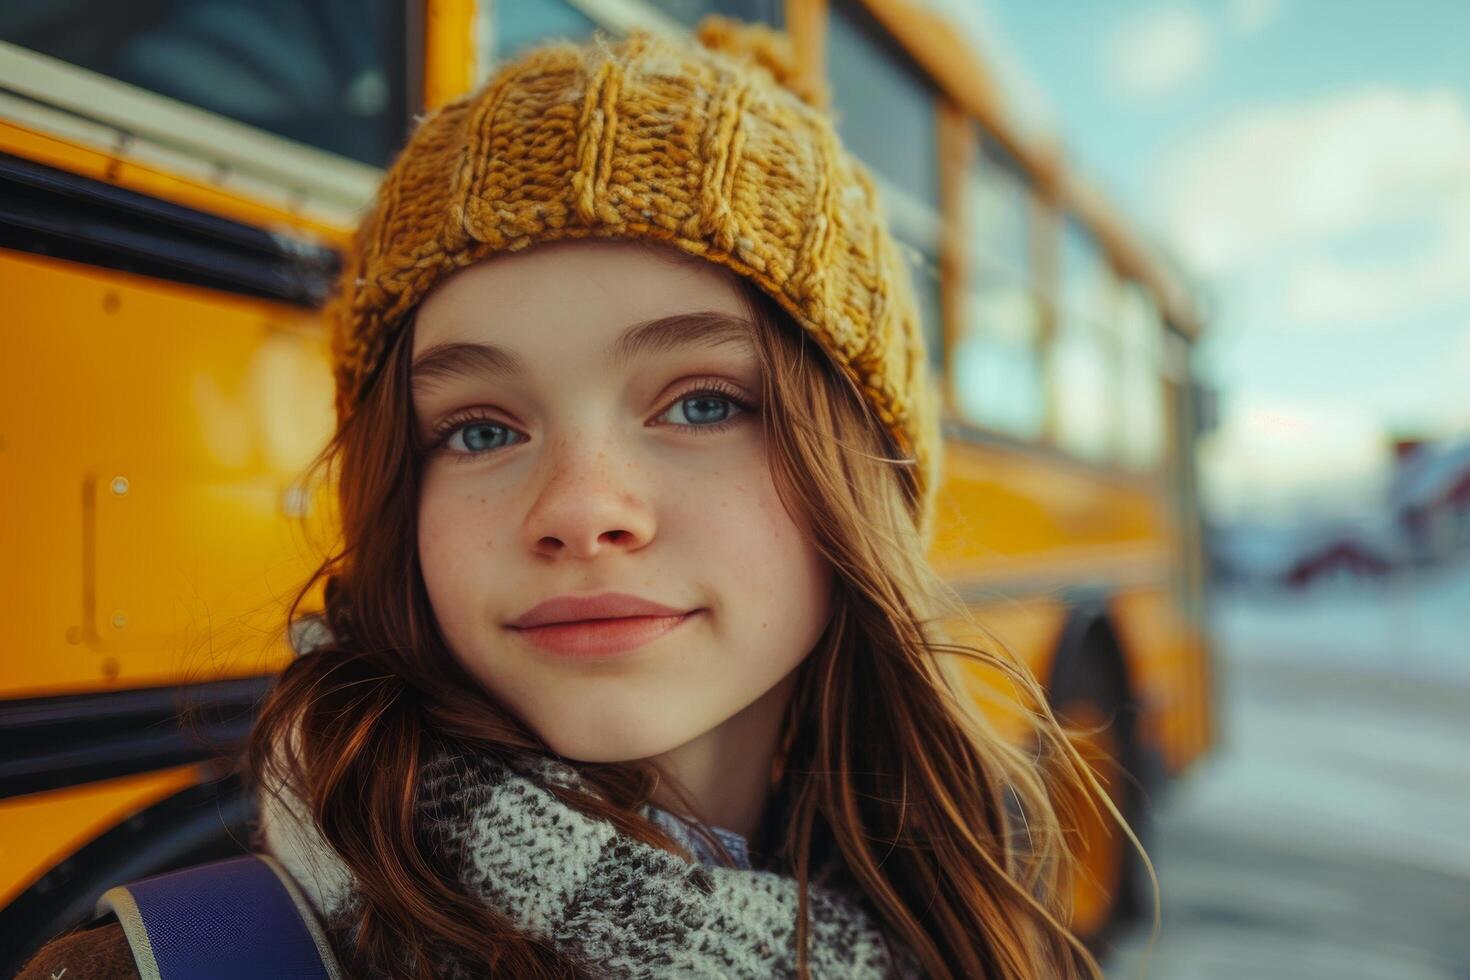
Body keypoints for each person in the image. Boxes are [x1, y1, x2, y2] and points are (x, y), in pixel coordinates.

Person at [17, 16, 1152, 980]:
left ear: (864, 468)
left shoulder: (967, 927)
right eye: (478, 429)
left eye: (702, 402)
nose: (581, 508)